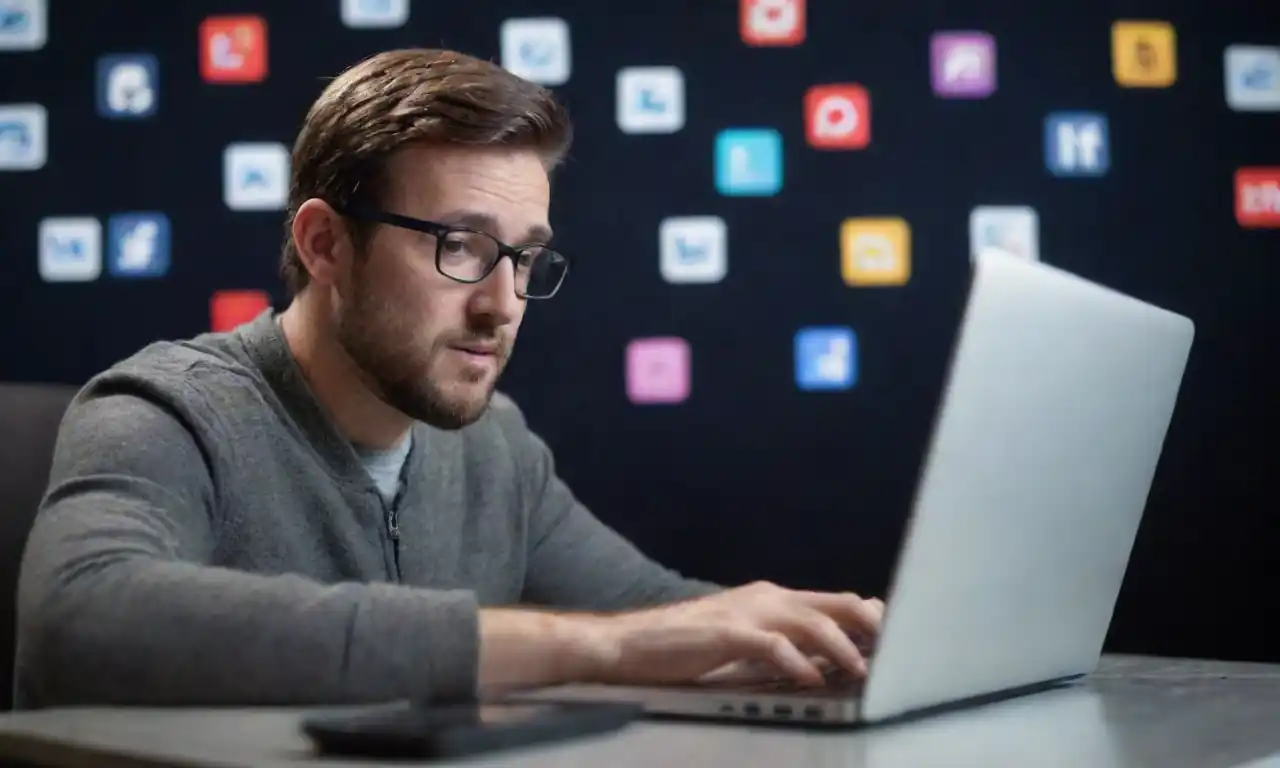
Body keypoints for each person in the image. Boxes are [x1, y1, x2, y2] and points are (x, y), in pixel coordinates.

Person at [14, 48, 883, 709]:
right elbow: (79, 621)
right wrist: (594, 650)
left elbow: (663, 620)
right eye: (459, 245)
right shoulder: (163, 411)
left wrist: (855, 647)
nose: (503, 306)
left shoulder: (497, 445)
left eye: (526, 258)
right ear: (325, 244)